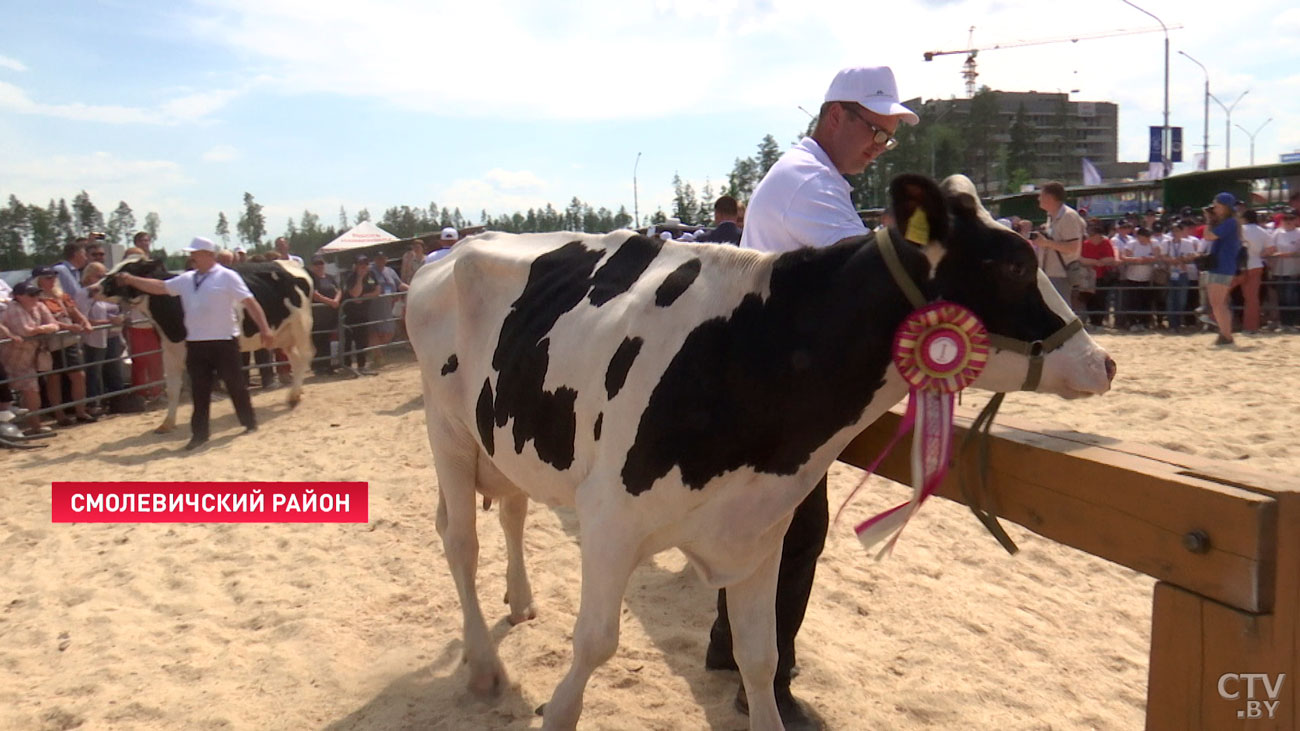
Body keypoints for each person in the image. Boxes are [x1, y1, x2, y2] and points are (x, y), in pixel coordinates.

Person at [720, 64, 917, 729]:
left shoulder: (807, 175)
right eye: (874, 129)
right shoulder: (810, 183)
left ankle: (730, 647)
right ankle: (764, 685)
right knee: (794, 532)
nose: (877, 146)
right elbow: (876, 280)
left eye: (887, 137)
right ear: (836, 114)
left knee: (757, 528)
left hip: (767, 380)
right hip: (783, 396)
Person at [114, 236, 275, 451]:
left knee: (235, 384)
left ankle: (248, 421)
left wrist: (264, 328)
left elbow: (250, 302)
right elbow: (160, 287)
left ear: (208, 255)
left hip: (224, 341)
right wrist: (133, 280)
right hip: (196, 344)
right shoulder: (187, 279)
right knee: (199, 390)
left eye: (195, 254)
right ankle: (199, 434)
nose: (191, 257)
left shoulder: (228, 276)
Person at [33, 265, 97, 425]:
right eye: (48, 277)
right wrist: (69, 327)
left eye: (54, 277)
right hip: (50, 343)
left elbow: (74, 311)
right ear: (38, 280)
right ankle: (59, 414)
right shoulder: (36, 299)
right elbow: (46, 320)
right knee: (54, 378)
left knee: (78, 375)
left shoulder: (61, 296)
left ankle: (80, 411)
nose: (52, 280)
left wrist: (84, 322)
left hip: (69, 340)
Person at [1, 282, 61, 435]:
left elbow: (54, 325)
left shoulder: (39, 306)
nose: (36, 297)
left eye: (36, 294)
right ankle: (33, 426)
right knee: (25, 390)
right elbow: (25, 330)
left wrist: (40, 329)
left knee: (30, 389)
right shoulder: (13, 308)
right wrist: (43, 329)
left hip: (29, 355)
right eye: (31, 294)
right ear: (18, 296)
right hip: (9, 356)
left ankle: (34, 425)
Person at [75, 262, 125, 409]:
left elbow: (117, 308)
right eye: (100, 276)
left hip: (113, 335)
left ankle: (117, 401)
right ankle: (94, 403)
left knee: (114, 369)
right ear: (89, 277)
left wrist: (119, 318)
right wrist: (108, 321)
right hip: (94, 338)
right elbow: (82, 318)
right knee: (94, 372)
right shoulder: (83, 293)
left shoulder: (107, 291)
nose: (103, 279)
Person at [121, 245, 165, 400]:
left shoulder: (149, 278)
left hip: (153, 324)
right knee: (139, 361)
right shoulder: (122, 280)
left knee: (156, 360)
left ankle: (156, 392)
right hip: (136, 325)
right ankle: (139, 393)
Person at [1033, 181, 1086, 306]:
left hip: (1060, 275)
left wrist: (1046, 243)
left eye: (1041, 195)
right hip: (1048, 274)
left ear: (1050, 197)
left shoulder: (1068, 216)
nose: (1038, 198)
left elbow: (1073, 247)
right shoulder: (1051, 216)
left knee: (1060, 316)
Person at [1202, 193, 1243, 346]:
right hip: (1221, 265)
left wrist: (1208, 220)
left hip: (1222, 266)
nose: (1214, 208)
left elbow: (1209, 236)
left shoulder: (1230, 222)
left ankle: (1226, 335)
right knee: (1220, 303)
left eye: (1217, 206)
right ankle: (1224, 333)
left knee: (1217, 303)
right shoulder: (1229, 222)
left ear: (1225, 207)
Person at [367, 251, 408, 363]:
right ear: (375, 259)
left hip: (388, 305)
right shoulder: (370, 271)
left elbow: (399, 284)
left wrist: (412, 288)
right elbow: (369, 285)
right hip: (374, 305)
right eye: (378, 258)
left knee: (389, 332)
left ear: (386, 259)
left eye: (383, 258)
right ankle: (377, 355)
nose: (381, 260)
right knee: (374, 330)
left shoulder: (390, 271)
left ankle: (373, 350)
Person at [342, 254, 379, 375]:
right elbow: (354, 293)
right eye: (360, 264)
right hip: (349, 314)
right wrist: (359, 278)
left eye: (365, 264)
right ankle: (346, 366)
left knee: (362, 341)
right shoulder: (350, 276)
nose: (363, 267)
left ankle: (362, 366)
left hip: (363, 313)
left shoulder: (372, 275)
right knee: (348, 341)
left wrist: (365, 296)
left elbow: (378, 290)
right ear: (355, 266)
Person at [1264, 208, 1300, 329]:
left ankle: (1291, 322)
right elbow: (1271, 248)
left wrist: (1285, 255)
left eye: (1291, 218)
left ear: (1295, 219)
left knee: (1291, 297)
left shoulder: (1299, 232)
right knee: (1282, 297)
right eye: (1285, 218)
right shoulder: (1277, 233)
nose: (1288, 221)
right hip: (1278, 270)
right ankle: (1284, 322)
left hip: (1293, 270)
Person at [1077, 223, 1117, 328]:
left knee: (1101, 299)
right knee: (1089, 299)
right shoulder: (1085, 244)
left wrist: (1098, 262)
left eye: (1093, 235)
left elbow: (1111, 258)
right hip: (1088, 277)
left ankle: (1098, 322)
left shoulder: (1106, 243)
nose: (1091, 237)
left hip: (1102, 276)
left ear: (1099, 235)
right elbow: (1080, 259)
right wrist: (1096, 262)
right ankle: (1092, 321)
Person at [1162, 221, 1200, 331]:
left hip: (1183, 274)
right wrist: (1172, 260)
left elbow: (1192, 256)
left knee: (1181, 300)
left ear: (1181, 231)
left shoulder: (1187, 243)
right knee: (1170, 300)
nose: (1175, 233)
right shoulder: (1166, 242)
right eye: (1173, 231)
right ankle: (1172, 324)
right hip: (1170, 274)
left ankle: (1178, 323)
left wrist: (1183, 260)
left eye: (1177, 231)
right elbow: (1162, 256)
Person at [309, 256, 342, 375]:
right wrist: (330, 302)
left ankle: (329, 365)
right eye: (316, 264)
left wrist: (336, 300)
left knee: (329, 340)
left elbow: (339, 290)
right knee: (319, 340)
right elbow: (314, 295)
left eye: (321, 263)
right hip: (318, 316)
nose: (319, 266)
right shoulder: (312, 279)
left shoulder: (330, 277)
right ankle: (318, 366)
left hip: (331, 314)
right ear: (312, 266)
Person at [1239, 209, 1270, 333]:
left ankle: (1214, 317)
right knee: (1252, 299)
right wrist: (1261, 254)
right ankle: (1251, 327)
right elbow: (1271, 248)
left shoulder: (1239, 229)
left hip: (1238, 266)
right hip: (1256, 264)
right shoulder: (1263, 231)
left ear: (1244, 218)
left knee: (1222, 290)